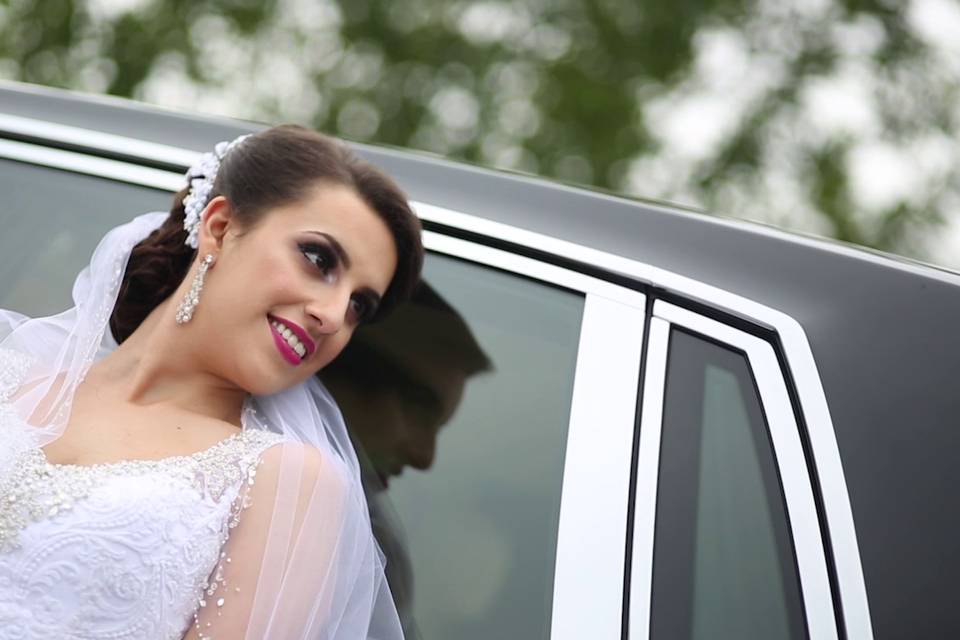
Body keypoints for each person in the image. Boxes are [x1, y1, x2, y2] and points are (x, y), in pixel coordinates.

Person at [0, 125, 424, 639]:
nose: (334, 316)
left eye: (360, 305)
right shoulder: (10, 372)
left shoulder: (287, 482)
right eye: (318, 260)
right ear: (219, 227)